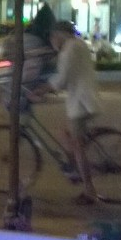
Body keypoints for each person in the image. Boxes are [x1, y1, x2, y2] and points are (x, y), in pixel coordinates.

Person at [48, 19, 100, 204]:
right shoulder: (80, 45)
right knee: (64, 134)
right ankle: (75, 169)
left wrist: (42, 90)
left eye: (53, 37)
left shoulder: (68, 50)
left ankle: (89, 191)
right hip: (87, 100)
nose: (53, 41)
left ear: (60, 35)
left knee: (78, 148)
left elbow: (61, 79)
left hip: (81, 104)